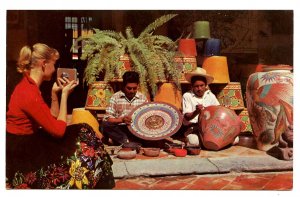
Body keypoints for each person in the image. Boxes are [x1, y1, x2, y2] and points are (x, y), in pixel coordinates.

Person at [6, 43, 115, 189]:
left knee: (83, 131)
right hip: (24, 154)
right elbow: (59, 131)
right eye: (54, 63)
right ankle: (99, 179)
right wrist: (64, 96)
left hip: (26, 144)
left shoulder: (28, 85)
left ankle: (98, 175)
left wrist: (54, 95)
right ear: (44, 64)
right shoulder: (29, 93)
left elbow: (51, 118)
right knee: (83, 131)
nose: (55, 68)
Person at [102, 71, 148, 145]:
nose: (132, 91)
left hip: (137, 130)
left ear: (138, 86)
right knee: (106, 125)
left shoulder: (143, 98)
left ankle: (128, 142)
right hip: (121, 130)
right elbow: (108, 118)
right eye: (129, 88)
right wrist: (122, 119)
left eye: (134, 88)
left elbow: (146, 117)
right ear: (123, 86)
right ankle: (126, 141)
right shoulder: (116, 97)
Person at [177, 67, 220, 147]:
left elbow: (218, 110)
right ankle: (196, 141)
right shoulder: (187, 96)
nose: (199, 89)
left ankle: (204, 142)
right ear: (192, 86)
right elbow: (187, 117)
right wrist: (196, 111)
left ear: (206, 85)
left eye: (202, 85)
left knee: (235, 140)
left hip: (210, 128)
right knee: (194, 142)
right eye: (196, 86)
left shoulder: (210, 95)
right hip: (193, 128)